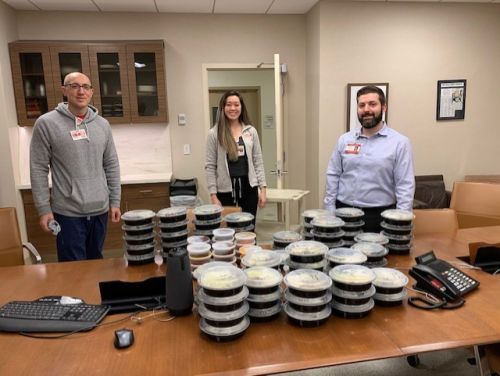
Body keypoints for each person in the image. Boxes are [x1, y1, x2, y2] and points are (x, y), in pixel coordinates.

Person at [30, 72, 121, 262]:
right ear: (64, 90)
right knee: (72, 269)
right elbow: (38, 168)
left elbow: (111, 164)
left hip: (99, 209)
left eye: (86, 87)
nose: (81, 91)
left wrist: (115, 201)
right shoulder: (46, 124)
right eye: (74, 86)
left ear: (91, 92)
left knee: (96, 263)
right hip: (67, 213)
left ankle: (94, 293)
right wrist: (44, 209)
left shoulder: (102, 125)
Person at [323, 85, 415, 232]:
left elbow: (405, 185)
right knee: (341, 254)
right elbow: (333, 174)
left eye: (372, 104)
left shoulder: (399, 143)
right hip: (343, 214)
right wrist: (329, 210)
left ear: (383, 107)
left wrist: (401, 222)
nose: (366, 109)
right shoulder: (344, 140)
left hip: (380, 217)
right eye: (361, 105)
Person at [205, 90, 267, 222]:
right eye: (229, 104)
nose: (233, 108)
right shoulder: (214, 134)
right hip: (225, 190)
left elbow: (258, 161)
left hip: (249, 188)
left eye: (236, 104)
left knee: (248, 227)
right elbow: (210, 166)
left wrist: (263, 189)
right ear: (223, 107)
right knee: (228, 231)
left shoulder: (251, 131)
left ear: (241, 107)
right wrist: (213, 196)